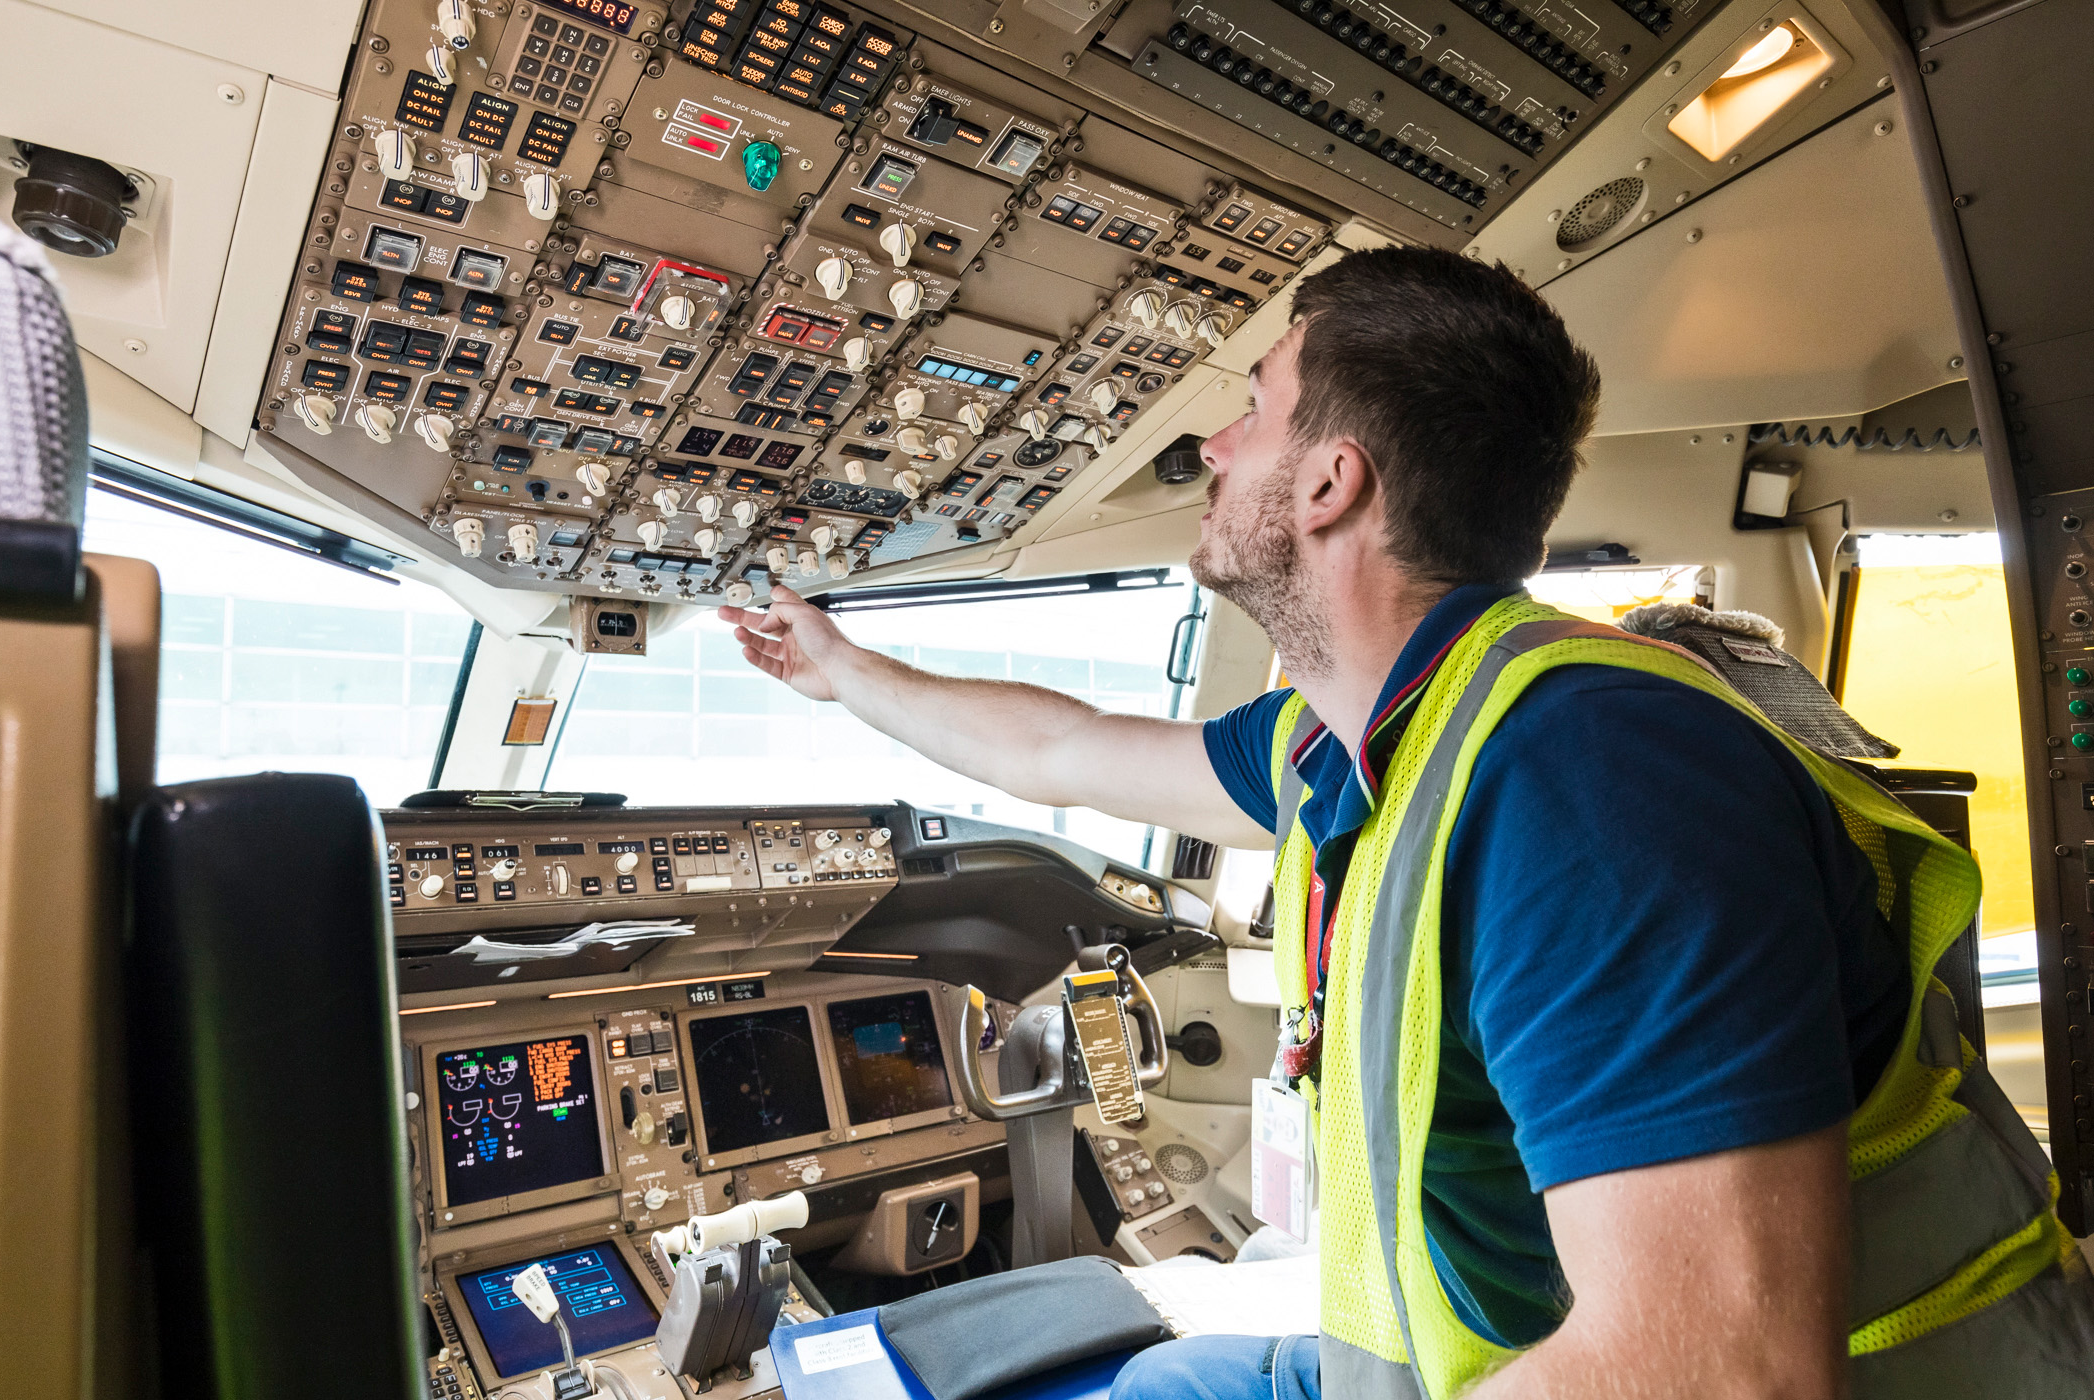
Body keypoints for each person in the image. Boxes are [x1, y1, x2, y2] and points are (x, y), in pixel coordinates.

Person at [719, 246, 2093, 1398]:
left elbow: (1718, 1368)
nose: (1212, 442)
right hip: (1466, 1350)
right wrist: (843, 671)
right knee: (1139, 1379)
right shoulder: (1365, 735)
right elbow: (1065, 749)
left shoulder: (1588, 780)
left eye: (1253, 409)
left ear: (1330, 485)